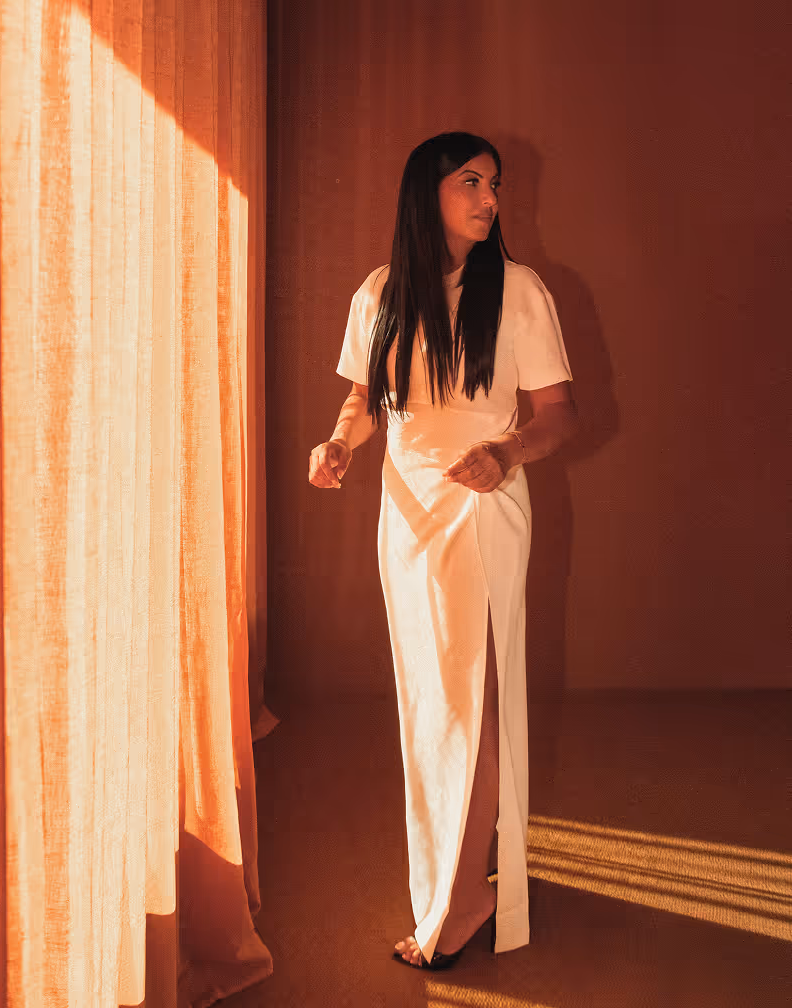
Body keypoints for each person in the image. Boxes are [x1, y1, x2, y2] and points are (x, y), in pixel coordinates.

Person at [308, 132, 579, 970]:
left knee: (474, 697)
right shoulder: (380, 292)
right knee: (430, 698)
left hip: (484, 503)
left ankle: (462, 899)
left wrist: (502, 456)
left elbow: (559, 414)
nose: (489, 197)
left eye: (493, 183)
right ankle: (469, 869)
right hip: (408, 510)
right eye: (471, 181)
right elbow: (364, 399)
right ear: (426, 192)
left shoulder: (520, 292)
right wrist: (340, 443)